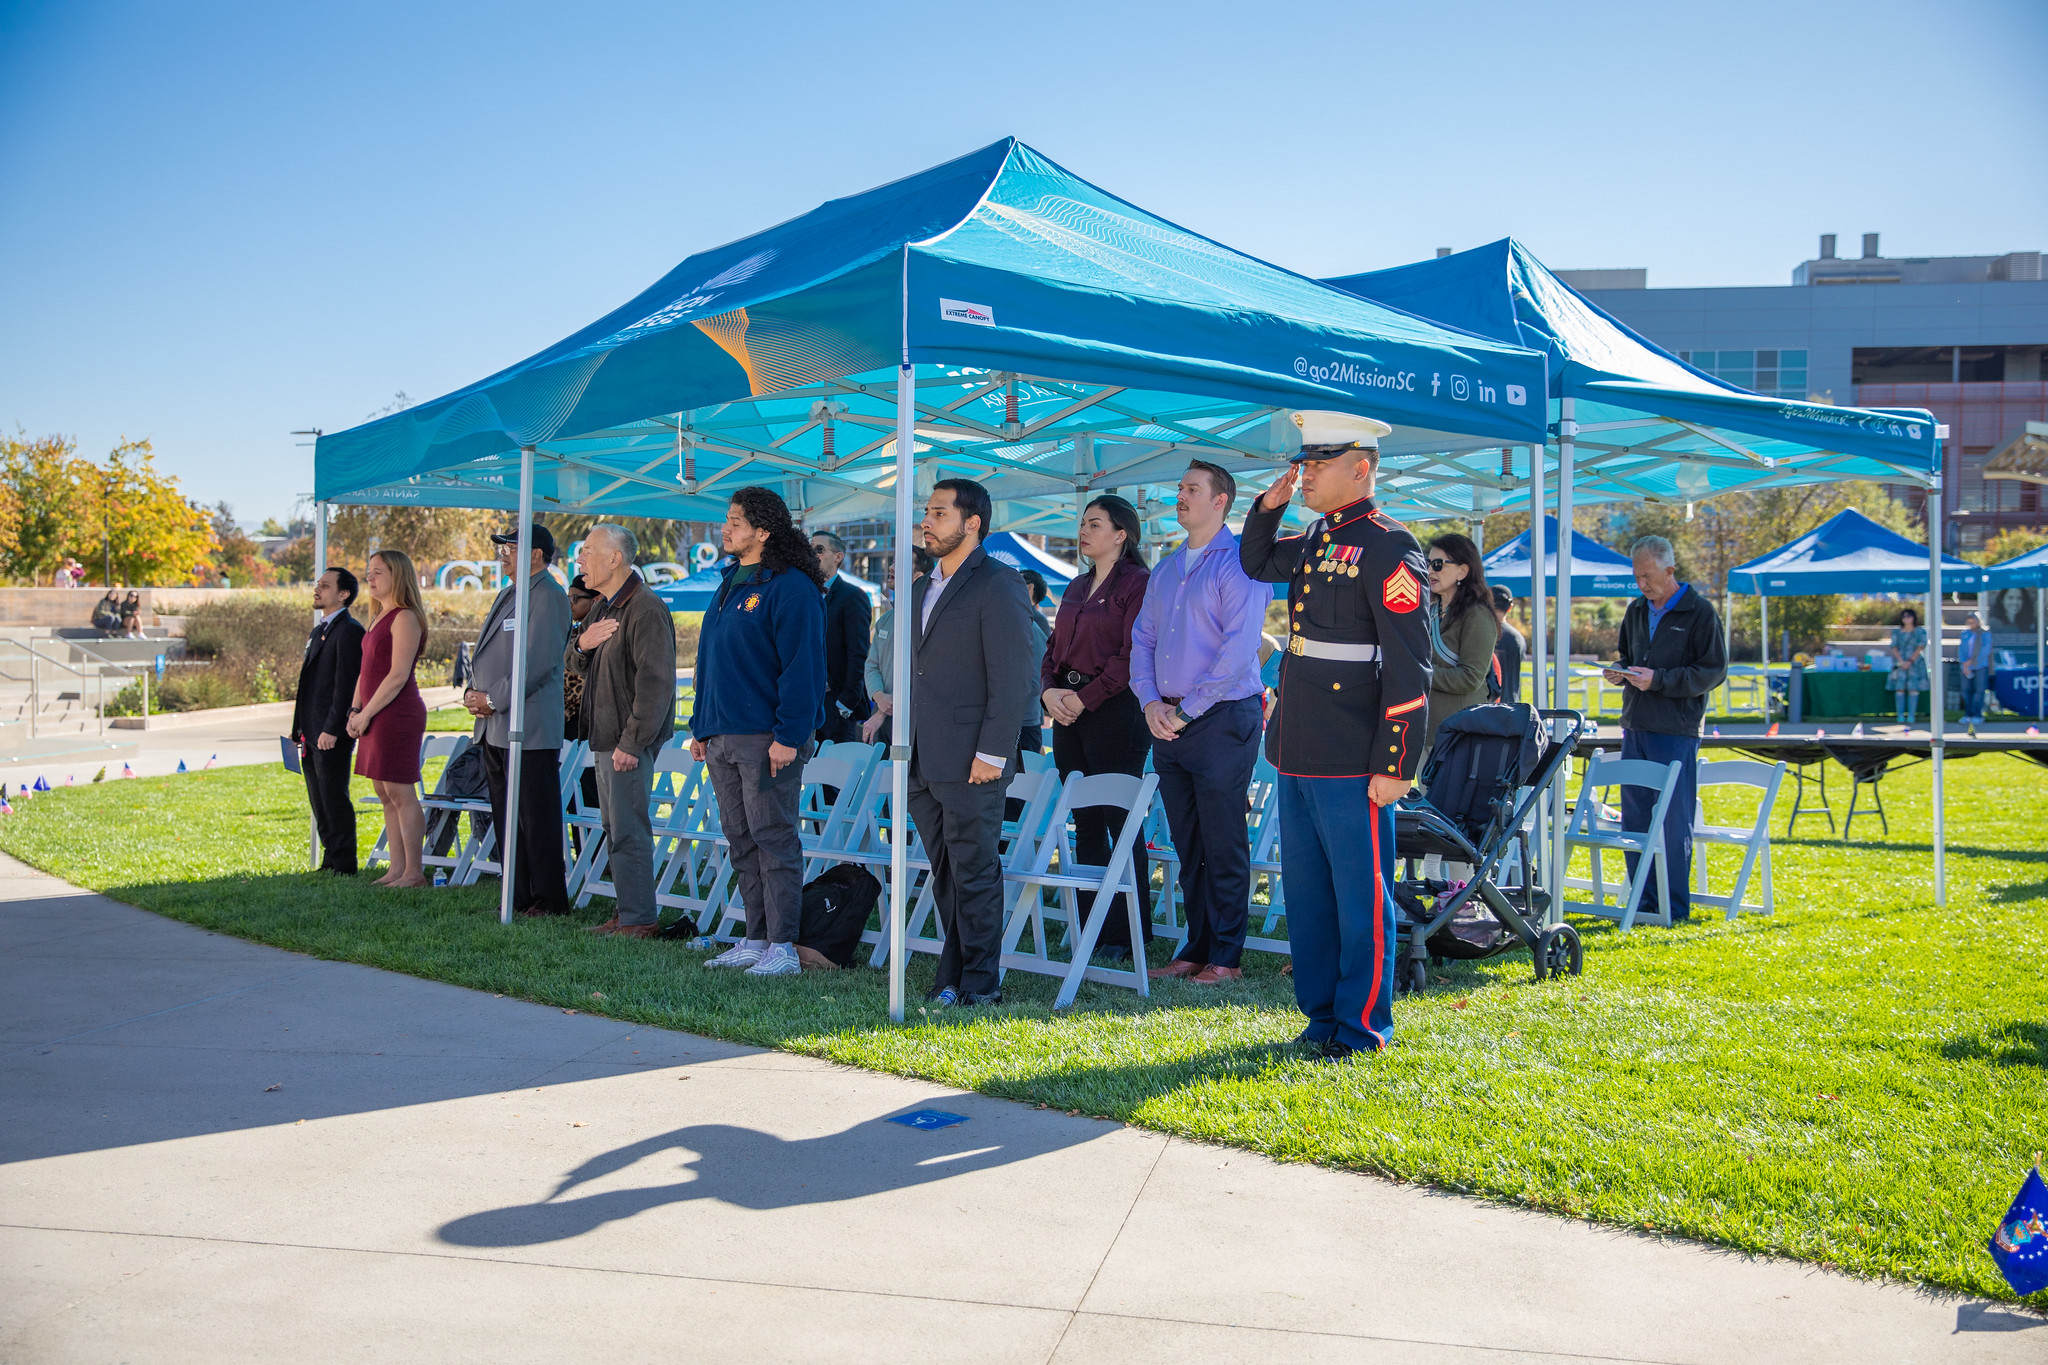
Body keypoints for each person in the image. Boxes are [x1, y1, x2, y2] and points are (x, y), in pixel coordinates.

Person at [1240, 412, 1431, 1061]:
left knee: (1359, 898)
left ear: (1363, 466)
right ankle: (1321, 1015)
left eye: (1322, 460)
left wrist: (1397, 760)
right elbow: (1258, 559)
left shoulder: (1389, 545)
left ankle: (1363, 1025)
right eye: (1305, 459)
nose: (1308, 470)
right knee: (1312, 896)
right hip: (1298, 746)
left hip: (1355, 752)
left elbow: (1410, 663)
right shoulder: (1319, 537)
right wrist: (1269, 506)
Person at [1133, 461, 1269, 985]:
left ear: (1221, 501)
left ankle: (1227, 957)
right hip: (1166, 717)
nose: (1180, 496)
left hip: (1220, 717)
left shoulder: (1240, 564)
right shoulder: (1166, 568)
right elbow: (1141, 641)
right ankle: (1196, 946)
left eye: (1192, 489)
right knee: (1187, 841)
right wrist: (1150, 704)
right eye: (1179, 487)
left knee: (1223, 838)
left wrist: (1186, 709)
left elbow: (1238, 652)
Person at [907, 477, 1036, 1008]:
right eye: (928, 512)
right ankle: (952, 973)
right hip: (920, 754)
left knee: (976, 870)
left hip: (973, 756)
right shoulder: (920, 585)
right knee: (944, 873)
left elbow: (1012, 677)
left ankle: (981, 983)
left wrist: (993, 752)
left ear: (972, 523)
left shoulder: (998, 583)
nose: (927, 522)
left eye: (939, 513)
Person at [697, 489, 828, 976]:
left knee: (773, 837)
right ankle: (754, 938)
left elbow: (804, 669)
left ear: (764, 530)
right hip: (722, 734)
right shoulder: (732, 580)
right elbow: (713, 661)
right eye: (727, 519)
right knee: (741, 839)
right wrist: (701, 727)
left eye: (735, 521)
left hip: (768, 738)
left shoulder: (791, 588)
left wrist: (790, 736)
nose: (726, 528)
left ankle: (783, 947)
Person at [1041, 495, 1153, 963]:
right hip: (1066, 709)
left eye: (1094, 523)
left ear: (1121, 534)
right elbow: (1052, 649)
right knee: (1083, 821)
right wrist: (1049, 693)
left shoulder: (1139, 583)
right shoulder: (1074, 585)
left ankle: (1130, 934)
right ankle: (1092, 926)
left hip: (1115, 712)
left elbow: (1131, 656)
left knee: (1119, 820)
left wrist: (1083, 700)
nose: (1083, 531)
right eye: (1082, 523)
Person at [1604, 535, 1728, 924]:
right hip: (1636, 726)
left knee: (1674, 821)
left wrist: (1658, 680)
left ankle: (1674, 907)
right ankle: (1643, 903)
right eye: (1637, 576)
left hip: (1676, 731)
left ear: (1670, 570)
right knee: (1634, 820)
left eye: (1648, 576)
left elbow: (1713, 671)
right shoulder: (1636, 610)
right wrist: (1620, 672)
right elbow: (1629, 655)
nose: (1642, 584)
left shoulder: (1701, 612)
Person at [463, 524, 573, 918]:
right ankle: (519, 894)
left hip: (529, 727)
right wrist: (474, 695)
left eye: (510, 547)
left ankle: (547, 900)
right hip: (496, 726)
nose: (502, 553)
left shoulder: (548, 596)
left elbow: (538, 661)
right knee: (508, 817)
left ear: (536, 554)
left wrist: (492, 698)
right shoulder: (511, 592)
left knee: (534, 817)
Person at [575, 524, 678, 938]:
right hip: (606, 738)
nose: (579, 559)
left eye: (586, 551)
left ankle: (639, 920)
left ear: (615, 559)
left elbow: (657, 685)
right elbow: (573, 659)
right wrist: (584, 644)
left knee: (629, 830)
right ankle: (627, 912)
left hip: (626, 742)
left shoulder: (645, 608)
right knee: (613, 828)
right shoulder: (603, 606)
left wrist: (632, 742)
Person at [348, 549, 431, 888]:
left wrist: (367, 713)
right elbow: (365, 672)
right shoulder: (379, 616)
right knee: (383, 790)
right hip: (373, 713)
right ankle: (397, 869)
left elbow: (397, 675)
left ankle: (414, 872)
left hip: (397, 713)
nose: (370, 577)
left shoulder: (405, 617)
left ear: (397, 576)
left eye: (378, 571)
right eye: (369, 571)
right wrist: (355, 710)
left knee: (400, 789)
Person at [291, 567, 365, 876]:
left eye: (325, 585)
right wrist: (298, 728)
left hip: (330, 731)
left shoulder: (349, 631)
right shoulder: (318, 630)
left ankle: (344, 863)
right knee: (318, 796)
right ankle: (330, 858)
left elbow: (345, 685)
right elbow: (308, 684)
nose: (316, 589)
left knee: (334, 795)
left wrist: (332, 729)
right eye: (317, 584)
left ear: (343, 594)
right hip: (310, 729)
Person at [1422, 534, 1499, 751]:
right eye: (1427, 563)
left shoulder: (1477, 615)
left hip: (1460, 734)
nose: (1430, 571)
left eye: (1438, 564)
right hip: (1427, 730)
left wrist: (1420, 673)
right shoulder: (1430, 611)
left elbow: (1471, 678)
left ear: (1462, 571)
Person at [861, 548, 934, 747]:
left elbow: (923, 672)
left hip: (912, 719)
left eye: (900, 564)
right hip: (880, 716)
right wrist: (878, 696)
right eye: (893, 562)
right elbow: (872, 664)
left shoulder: (928, 621)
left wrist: (883, 710)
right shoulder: (885, 620)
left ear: (918, 576)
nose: (891, 567)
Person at [809, 530, 871, 745]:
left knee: (834, 776)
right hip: (807, 702)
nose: (812, 554)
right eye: (809, 549)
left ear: (838, 557)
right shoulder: (804, 595)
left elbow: (859, 652)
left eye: (819, 549)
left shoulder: (852, 596)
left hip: (835, 703)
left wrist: (846, 701)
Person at [563, 574, 604, 854]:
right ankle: (583, 853)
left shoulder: (599, 632)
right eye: (569, 598)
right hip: (567, 724)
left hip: (588, 722)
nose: (571, 604)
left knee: (591, 792)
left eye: (576, 598)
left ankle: (598, 855)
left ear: (595, 600)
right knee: (572, 793)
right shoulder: (571, 632)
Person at [1018, 569, 1054, 762]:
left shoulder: (1033, 619)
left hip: (1026, 715)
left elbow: (1040, 666)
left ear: (1030, 587)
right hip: (1026, 714)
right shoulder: (1029, 618)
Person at [1888, 607, 1929, 728]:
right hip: (1900, 663)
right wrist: (1901, 661)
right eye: (1904, 617)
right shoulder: (1897, 632)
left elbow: (1920, 646)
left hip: (1915, 663)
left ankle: (1911, 715)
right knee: (1899, 688)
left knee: (1913, 688)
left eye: (1909, 616)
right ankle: (1900, 715)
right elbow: (1894, 646)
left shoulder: (1920, 631)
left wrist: (1910, 660)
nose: (1906, 619)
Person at [1959, 611, 1993, 734]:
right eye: (1969, 621)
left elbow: (1985, 650)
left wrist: (1972, 661)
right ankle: (1967, 714)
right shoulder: (1965, 634)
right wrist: (1964, 663)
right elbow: (1961, 649)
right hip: (1966, 667)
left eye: (1973, 621)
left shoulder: (1985, 634)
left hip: (1980, 666)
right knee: (1966, 691)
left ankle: (1977, 714)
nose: (1971, 623)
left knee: (1979, 690)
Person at [1491, 584, 1525, 702]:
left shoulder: (1484, 634)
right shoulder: (1517, 637)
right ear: (1510, 607)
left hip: (1489, 706)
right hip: (1512, 704)